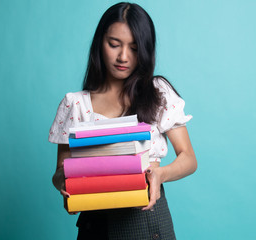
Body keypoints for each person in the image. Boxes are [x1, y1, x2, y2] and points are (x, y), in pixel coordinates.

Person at [49, 2, 197, 239]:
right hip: (95, 221)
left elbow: (189, 158)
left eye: (135, 48)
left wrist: (160, 175)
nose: (123, 56)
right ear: (100, 43)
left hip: (145, 216)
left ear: (146, 50)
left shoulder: (158, 92)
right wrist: (64, 184)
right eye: (114, 44)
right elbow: (60, 171)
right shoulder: (75, 103)